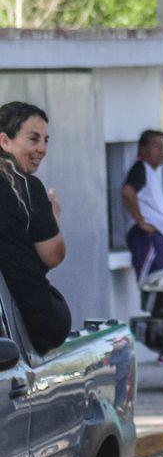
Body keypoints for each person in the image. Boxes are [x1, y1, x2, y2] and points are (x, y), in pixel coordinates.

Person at [0, 102, 71, 354]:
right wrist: (54, 218)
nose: (42, 149)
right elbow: (53, 255)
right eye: (33, 139)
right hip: (33, 324)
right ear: (5, 141)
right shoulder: (27, 187)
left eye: (45, 140)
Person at [121, 130, 163, 284]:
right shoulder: (140, 167)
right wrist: (142, 222)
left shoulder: (151, 172)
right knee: (156, 284)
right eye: (157, 147)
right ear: (143, 149)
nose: (162, 152)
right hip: (147, 237)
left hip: (158, 237)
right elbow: (127, 191)